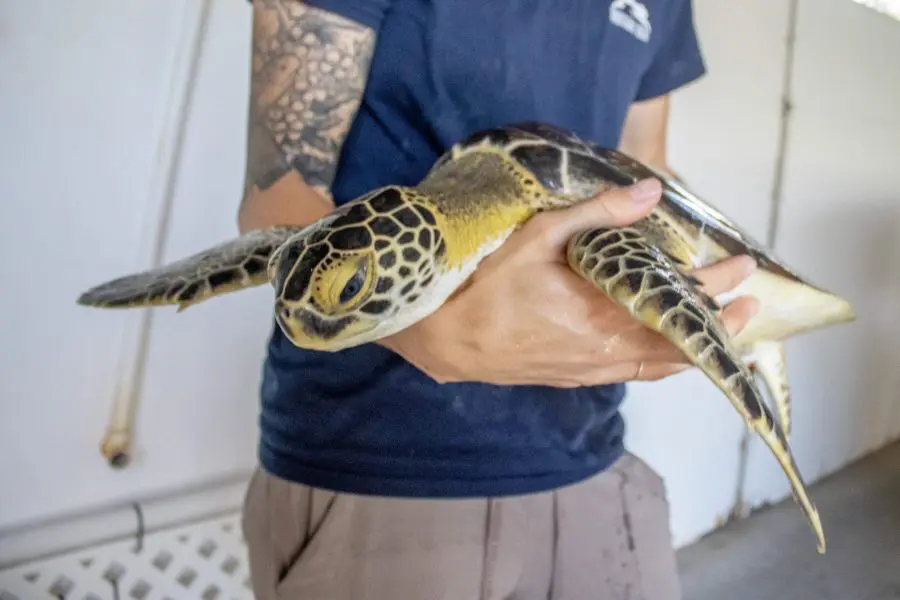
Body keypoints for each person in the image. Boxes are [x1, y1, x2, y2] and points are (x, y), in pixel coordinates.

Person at [238, 0, 759, 598]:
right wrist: (429, 326)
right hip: (381, 470)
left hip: (593, 453)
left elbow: (644, 178)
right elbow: (276, 192)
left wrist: (737, 273)